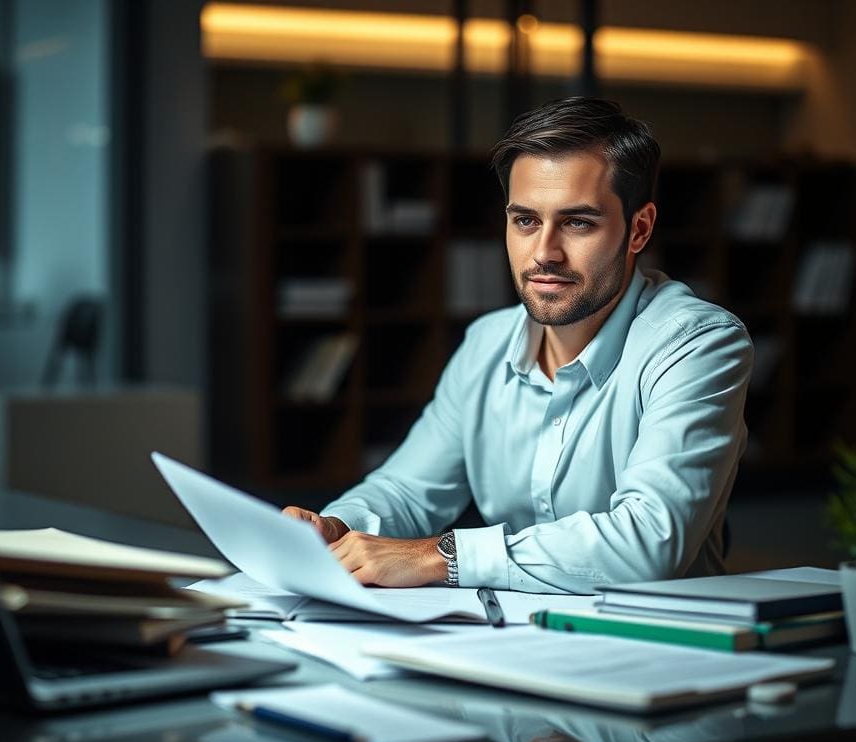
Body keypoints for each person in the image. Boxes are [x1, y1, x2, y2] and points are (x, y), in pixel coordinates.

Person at [283, 96, 752, 594]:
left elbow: (649, 542)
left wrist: (441, 555)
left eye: (578, 223)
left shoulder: (698, 345)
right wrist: (336, 528)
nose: (545, 252)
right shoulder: (487, 344)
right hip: (511, 638)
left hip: (662, 644)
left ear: (638, 229)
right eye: (525, 221)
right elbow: (407, 490)